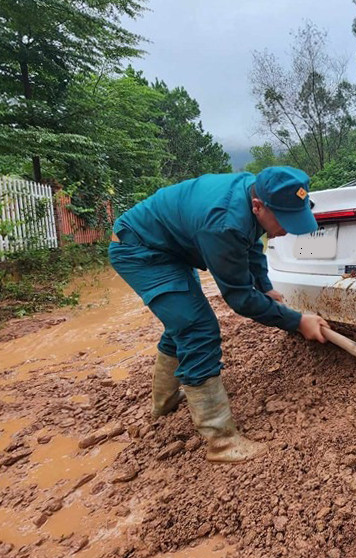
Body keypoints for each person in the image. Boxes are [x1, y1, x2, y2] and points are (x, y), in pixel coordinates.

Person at [108, 167, 330, 463]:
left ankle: (165, 403)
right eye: (284, 221)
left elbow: (251, 243)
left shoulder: (253, 193)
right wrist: (297, 321)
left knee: (182, 321)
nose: (288, 230)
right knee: (197, 328)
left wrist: (264, 287)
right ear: (258, 205)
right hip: (140, 251)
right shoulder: (224, 223)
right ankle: (221, 442)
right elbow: (239, 299)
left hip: (169, 248)